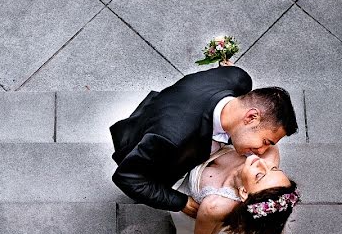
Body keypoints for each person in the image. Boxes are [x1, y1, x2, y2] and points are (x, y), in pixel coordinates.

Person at [110, 64, 299, 217]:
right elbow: (127, 177)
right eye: (266, 141)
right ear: (250, 117)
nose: (261, 151)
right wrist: (180, 202)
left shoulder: (239, 77)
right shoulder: (171, 139)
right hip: (150, 138)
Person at [171, 142, 299, 234]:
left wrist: (219, 222)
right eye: (275, 169)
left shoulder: (214, 206)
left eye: (259, 175)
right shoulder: (269, 153)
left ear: (244, 192)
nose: (262, 163)